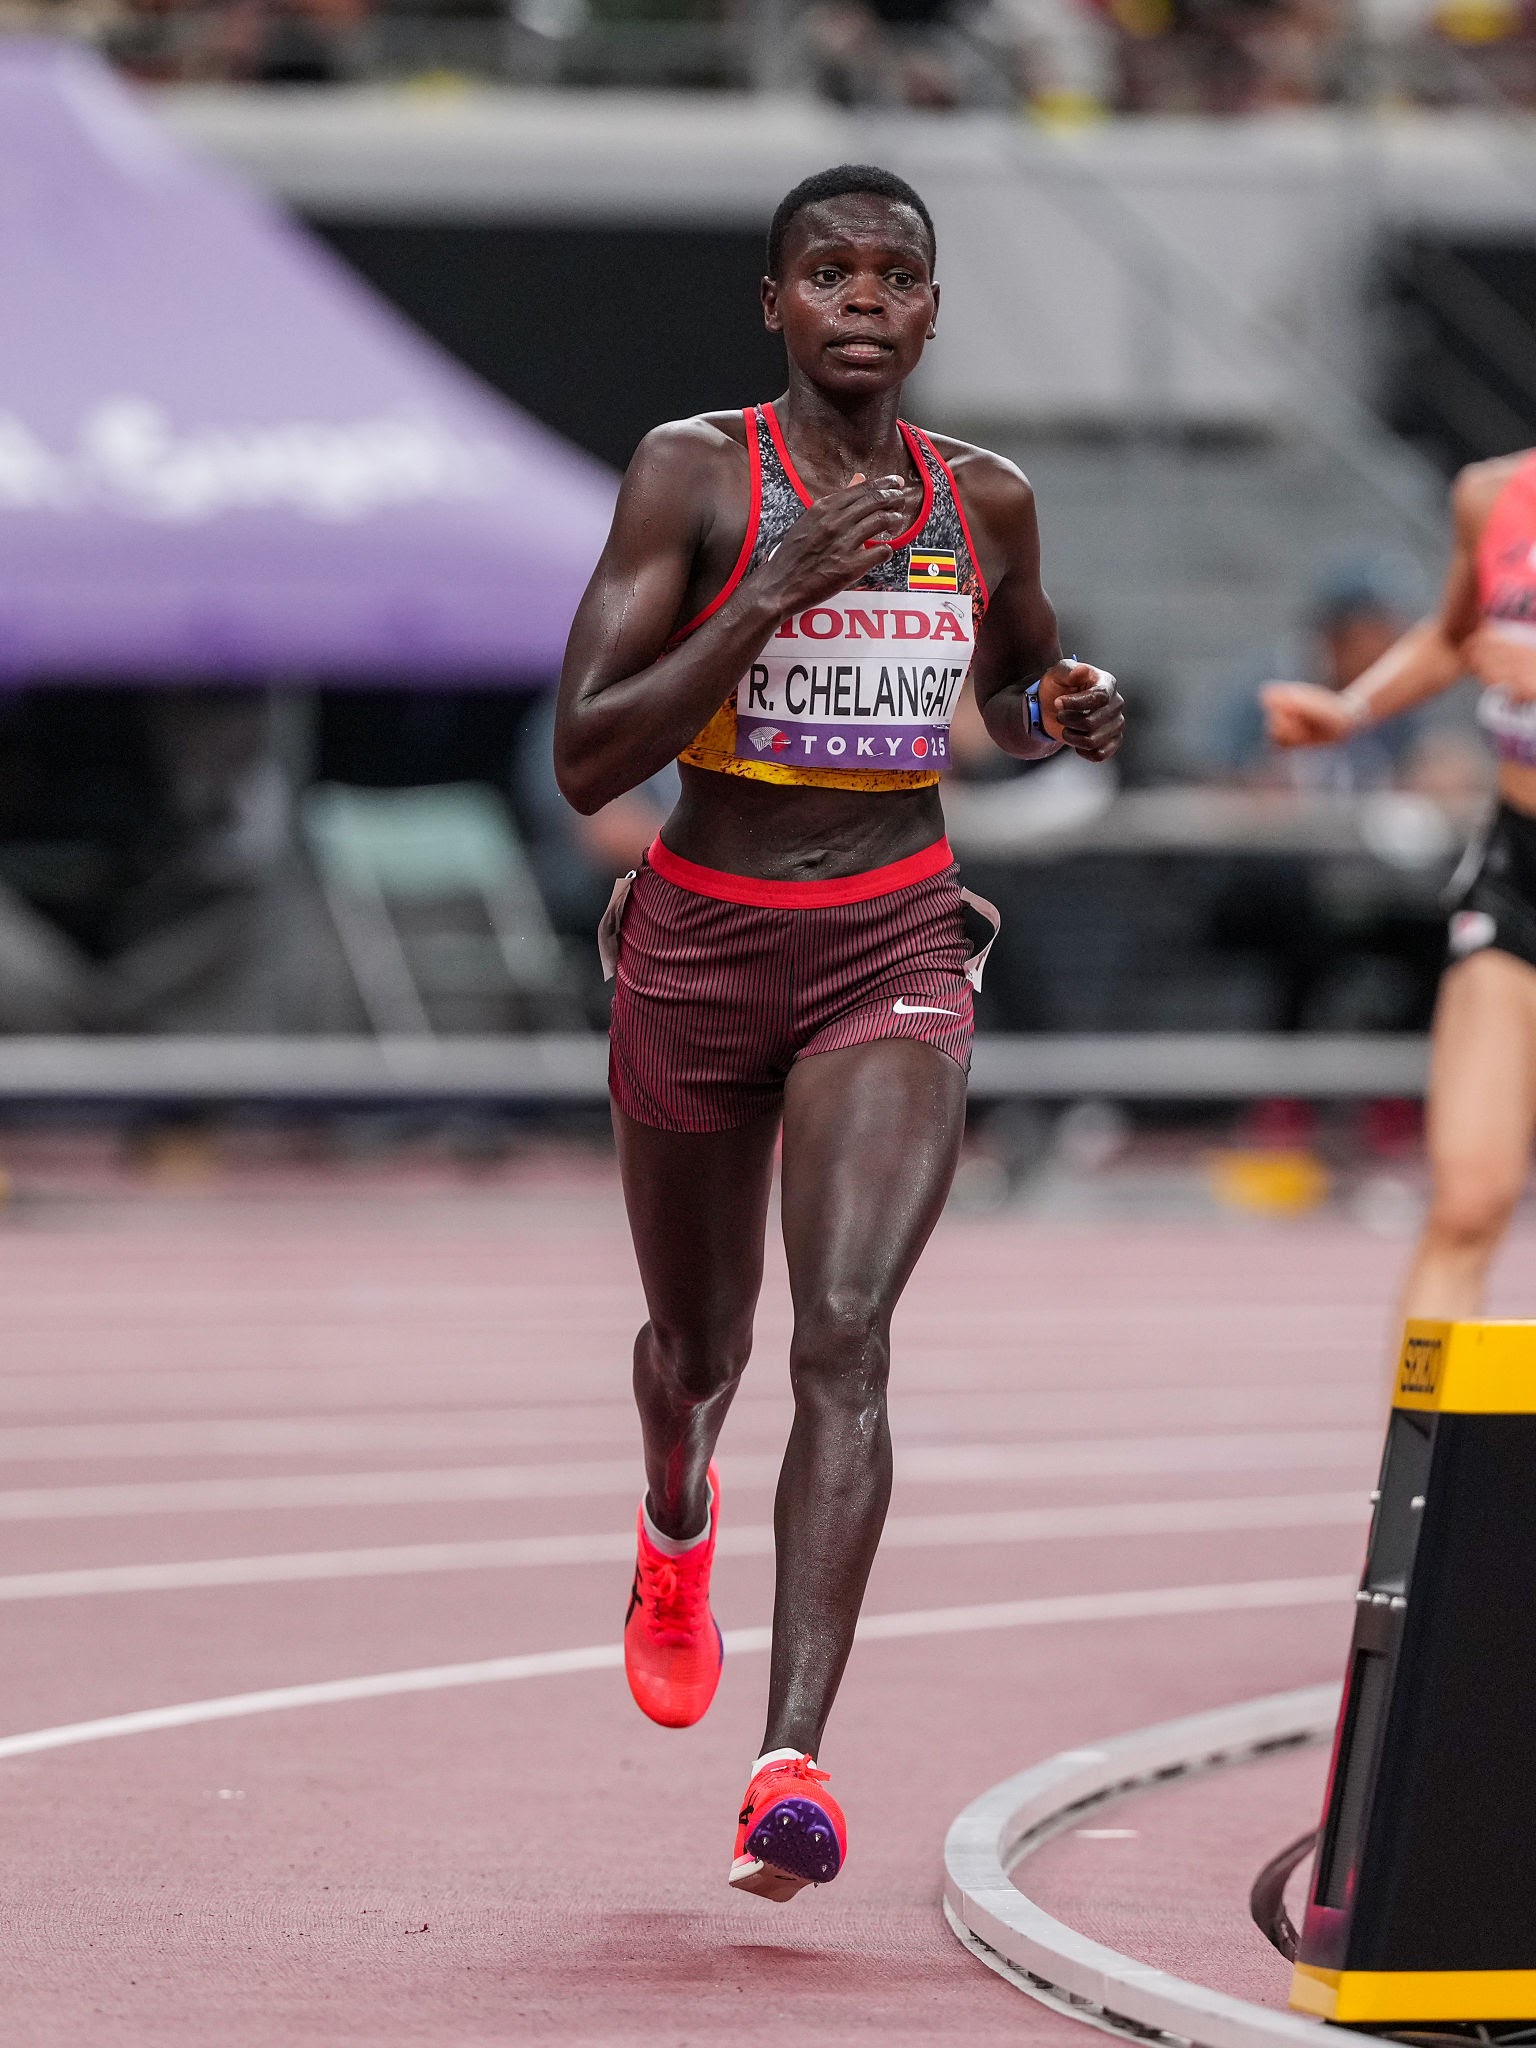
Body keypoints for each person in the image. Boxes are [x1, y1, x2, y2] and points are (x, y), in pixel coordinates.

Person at [555, 163, 1124, 1903]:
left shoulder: (989, 500)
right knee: (698, 1348)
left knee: (849, 1332)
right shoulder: (696, 471)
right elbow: (588, 751)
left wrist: (1062, 705)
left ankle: (789, 1761)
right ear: (776, 305)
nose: (864, 298)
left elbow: (1018, 685)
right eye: (830, 272)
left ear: (933, 312)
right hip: (706, 941)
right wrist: (767, 590)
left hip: (888, 939)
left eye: (896, 275)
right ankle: (673, 1516)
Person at [1264, 450, 1536, 1325]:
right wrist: (1352, 710)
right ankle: (1412, 1467)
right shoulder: (1493, 496)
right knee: (1465, 1205)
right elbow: (1457, 636)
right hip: (1519, 873)